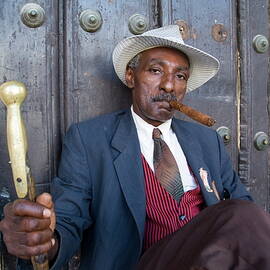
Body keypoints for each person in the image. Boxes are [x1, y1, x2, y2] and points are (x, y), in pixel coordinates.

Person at [0, 25, 269, 270]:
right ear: (131, 76)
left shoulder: (206, 140)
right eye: (155, 70)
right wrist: (44, 241)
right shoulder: (89, 139)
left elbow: (242, 212)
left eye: (180, 76)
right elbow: (69, 219)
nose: (168, 85)